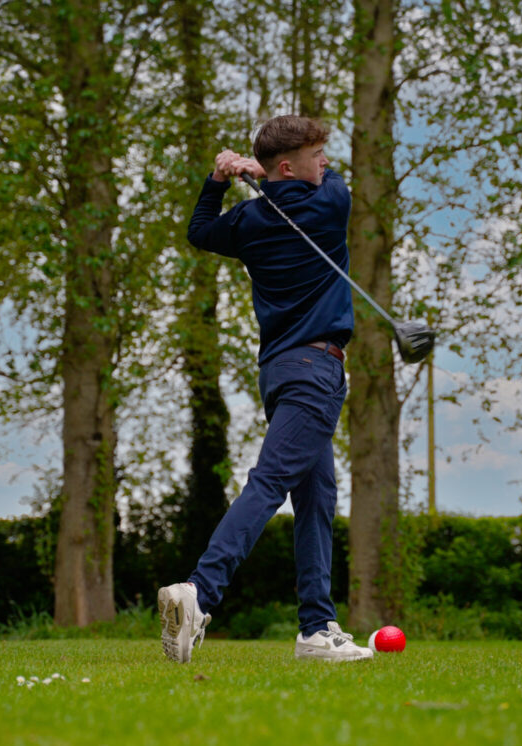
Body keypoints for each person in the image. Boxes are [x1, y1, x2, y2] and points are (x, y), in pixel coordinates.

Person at [157, 115, 372, 663]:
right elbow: (336, 182)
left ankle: (316, 629)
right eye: (316, 153)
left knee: (317, 496)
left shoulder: (250, 218)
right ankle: (200, 592)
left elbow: (200, 231)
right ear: (287, 167)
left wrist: (217, 180)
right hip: (315, 370)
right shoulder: (330, 205)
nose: (325, 161)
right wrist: (256, 171)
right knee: (271, 481)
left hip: (279, 370)